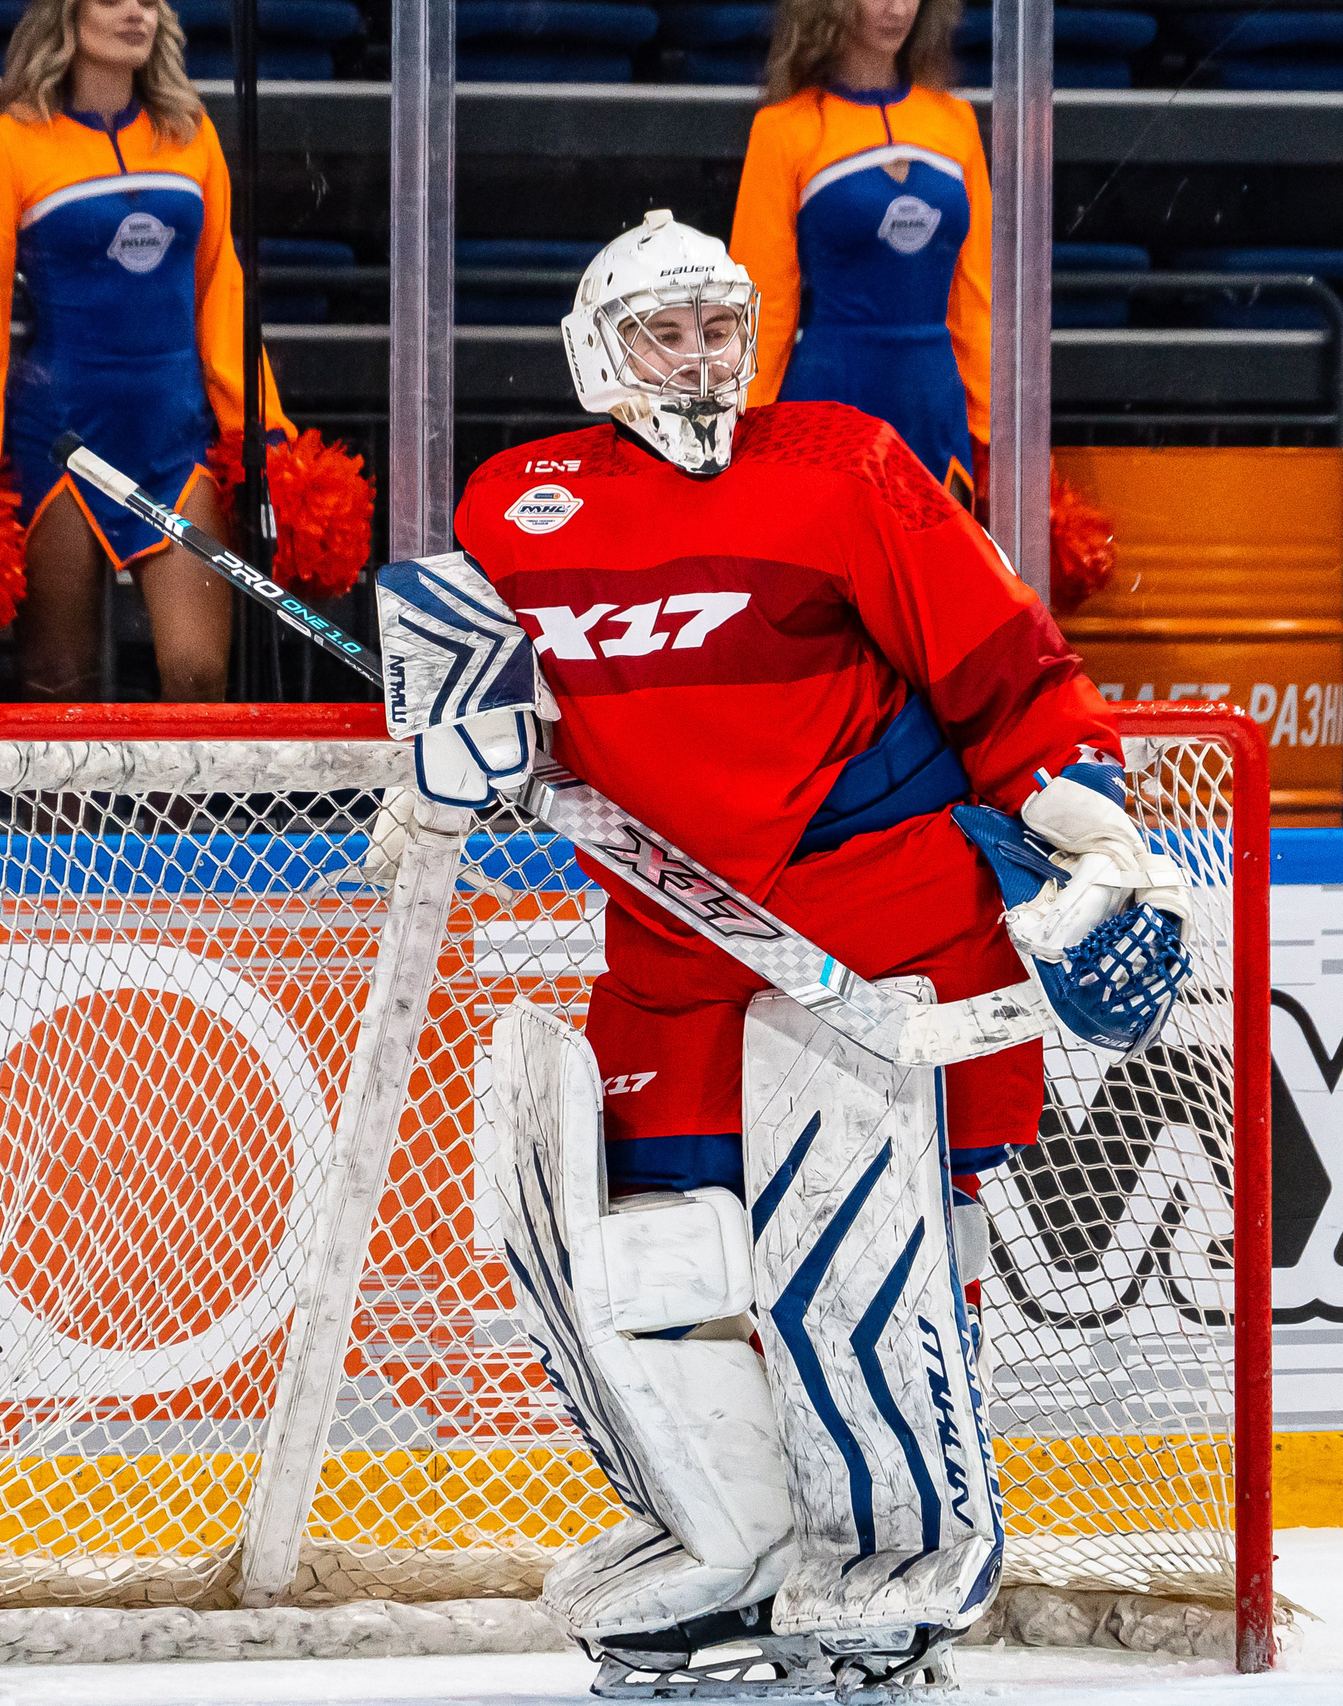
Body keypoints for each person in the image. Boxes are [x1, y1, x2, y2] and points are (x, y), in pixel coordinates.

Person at [418, 212, 1170, 1679]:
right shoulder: (518, 501)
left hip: (878, 913)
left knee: (870, 1245)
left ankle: (897, 1553)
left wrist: (1093, 818)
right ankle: (737, 1544)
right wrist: (460, 737)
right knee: (645, 1258)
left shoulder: (842, 462)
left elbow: (1001, 660)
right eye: (663, 329)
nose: (695, 357)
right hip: (673, 930)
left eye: (716, 327)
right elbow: (483, 695)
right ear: (596, 349)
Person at [0, 0, 292, 703]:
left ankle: (177, 819)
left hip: (174, 440)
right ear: (68, 14)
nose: (138, 13)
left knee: (198, 674)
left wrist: (264, 425)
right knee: (59, 683)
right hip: (61, 440)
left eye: (151, 1)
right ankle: (68, 821)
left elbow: (224, 292)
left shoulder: (192, 133)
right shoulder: (11, 142)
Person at [728, 0, 991, 507]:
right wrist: (743, 428)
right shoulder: (785, 129)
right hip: (830, 396)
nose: (897, 9)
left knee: (936, 578)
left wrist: (991, 430)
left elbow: (975, 293)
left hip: (934, 402)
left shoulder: (955, 123)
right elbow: (762, 300)